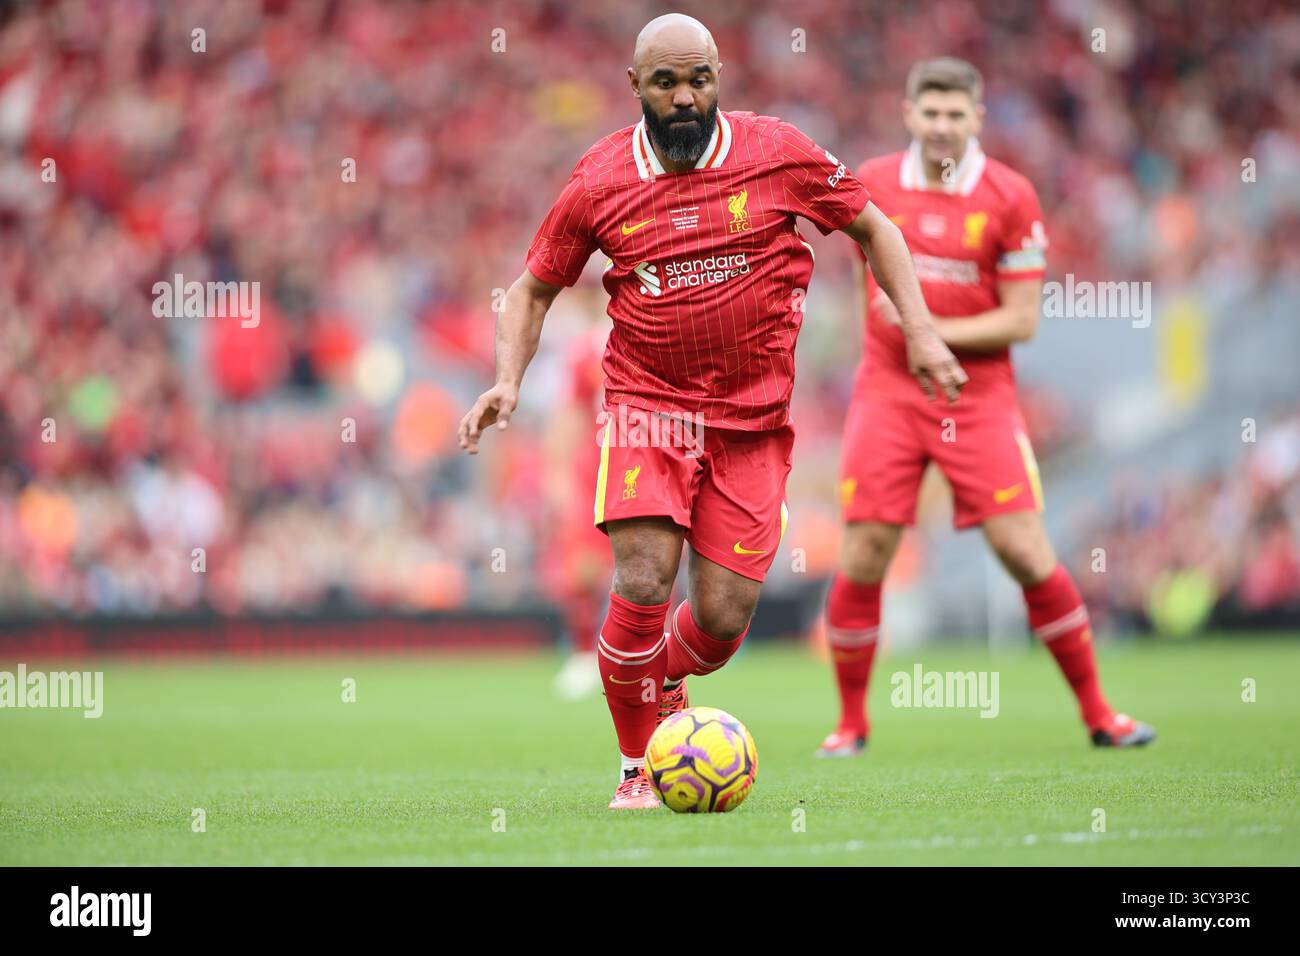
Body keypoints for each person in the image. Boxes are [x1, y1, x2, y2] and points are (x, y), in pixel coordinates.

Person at [458, 15, 967, 809]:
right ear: (636, 88)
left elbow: (875, 227)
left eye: (699, 78)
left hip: (752, 423)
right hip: (645, 408)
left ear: (719, 75)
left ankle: (649, 678)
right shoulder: (598, 180)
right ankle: (636, 769)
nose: (686, 96)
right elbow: (532, 287)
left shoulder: (777, 152)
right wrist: (507, 381)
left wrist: (925, 332)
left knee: (724, 622)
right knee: (642, 576)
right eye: (666, 82)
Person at [818, 57, 1155, 757]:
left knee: (1026, 552)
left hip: (979, 398)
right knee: (866, 553)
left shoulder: (1009, 195)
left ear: (977, 118)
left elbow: (1022, 319)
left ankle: (1100, 714)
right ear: (910, 114)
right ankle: (851, 724)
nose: (942, 126)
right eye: (930, 112)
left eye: (956, 114)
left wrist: (926, 332)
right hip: (887, 393)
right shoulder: (871, 183)